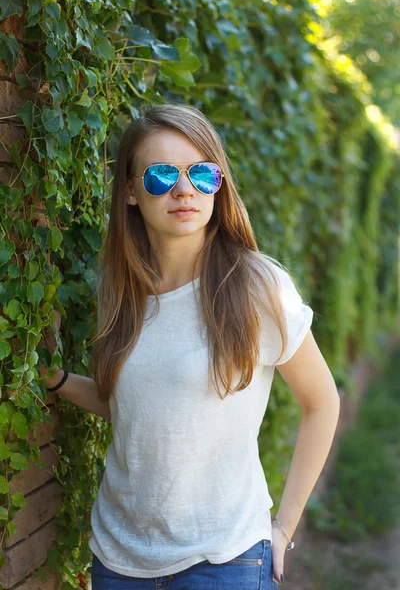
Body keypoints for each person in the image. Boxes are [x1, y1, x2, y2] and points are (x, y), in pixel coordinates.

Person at [42, 102, 340, 590]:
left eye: (201, 173)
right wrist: (51, 380)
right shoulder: (121, 293)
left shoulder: (254, 285)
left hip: (224, 561)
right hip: (119, 562)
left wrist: (283, 526)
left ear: (218, 184)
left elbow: (322, 401)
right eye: (161, 175)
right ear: (132, 192)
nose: (184, 190)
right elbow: (134, 405)